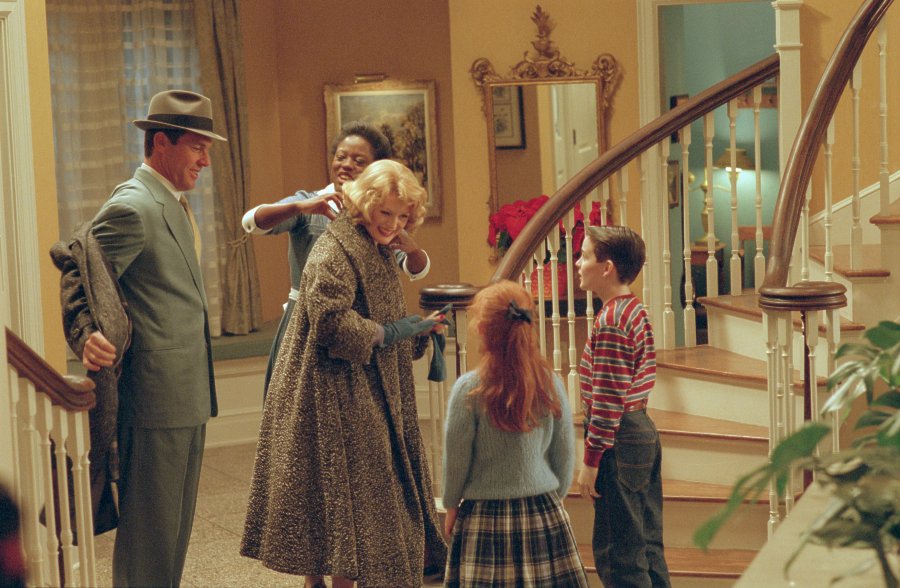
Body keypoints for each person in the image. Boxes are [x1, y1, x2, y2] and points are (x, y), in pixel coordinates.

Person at [241, 160, 447, 588]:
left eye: (402, 216)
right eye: (385, 212)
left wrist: (414, 332)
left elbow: (382, 315)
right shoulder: (334, 248)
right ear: (366, 204)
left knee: (356, 501)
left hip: (365, 384)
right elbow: (331, 323)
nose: (393, 224)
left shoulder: (377, 247)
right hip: (330, 387)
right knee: (343, 502)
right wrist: (392, 332)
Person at [78, 89, 226, 587]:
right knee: (150, 537)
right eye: (197, 148)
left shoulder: (172, 202)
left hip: (186, 392)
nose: (205, 161)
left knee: (172, 534)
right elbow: (80, 272)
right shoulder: (133, 205)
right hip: (155, 397)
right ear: (161, 142)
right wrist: (85, 333)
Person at [240, 122, 430, 394]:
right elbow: (252, 222)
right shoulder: (310, 202)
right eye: (341, 157)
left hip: (361, 332)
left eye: (359, 161)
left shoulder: (381, 216)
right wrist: (300, 207)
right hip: (309, 324)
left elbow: (415, 269)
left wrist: (413, 249)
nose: (346, 165)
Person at [441, 280, 588, 587]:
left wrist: (451, 505)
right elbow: (564, 455)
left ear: (483, 329)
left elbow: (456, 461)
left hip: (484, 517)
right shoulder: (550, 384)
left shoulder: (469, 390)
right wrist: (553, 498)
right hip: (541, 510)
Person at [575, 225, 671, 587]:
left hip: (620, 439)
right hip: (639, 429)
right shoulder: (633, 309)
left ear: (607, 268)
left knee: (619, 556)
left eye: (585, 255)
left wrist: (590, 462)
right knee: (646, 545)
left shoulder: (612, 321)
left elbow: (607, 399)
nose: (578, 263)